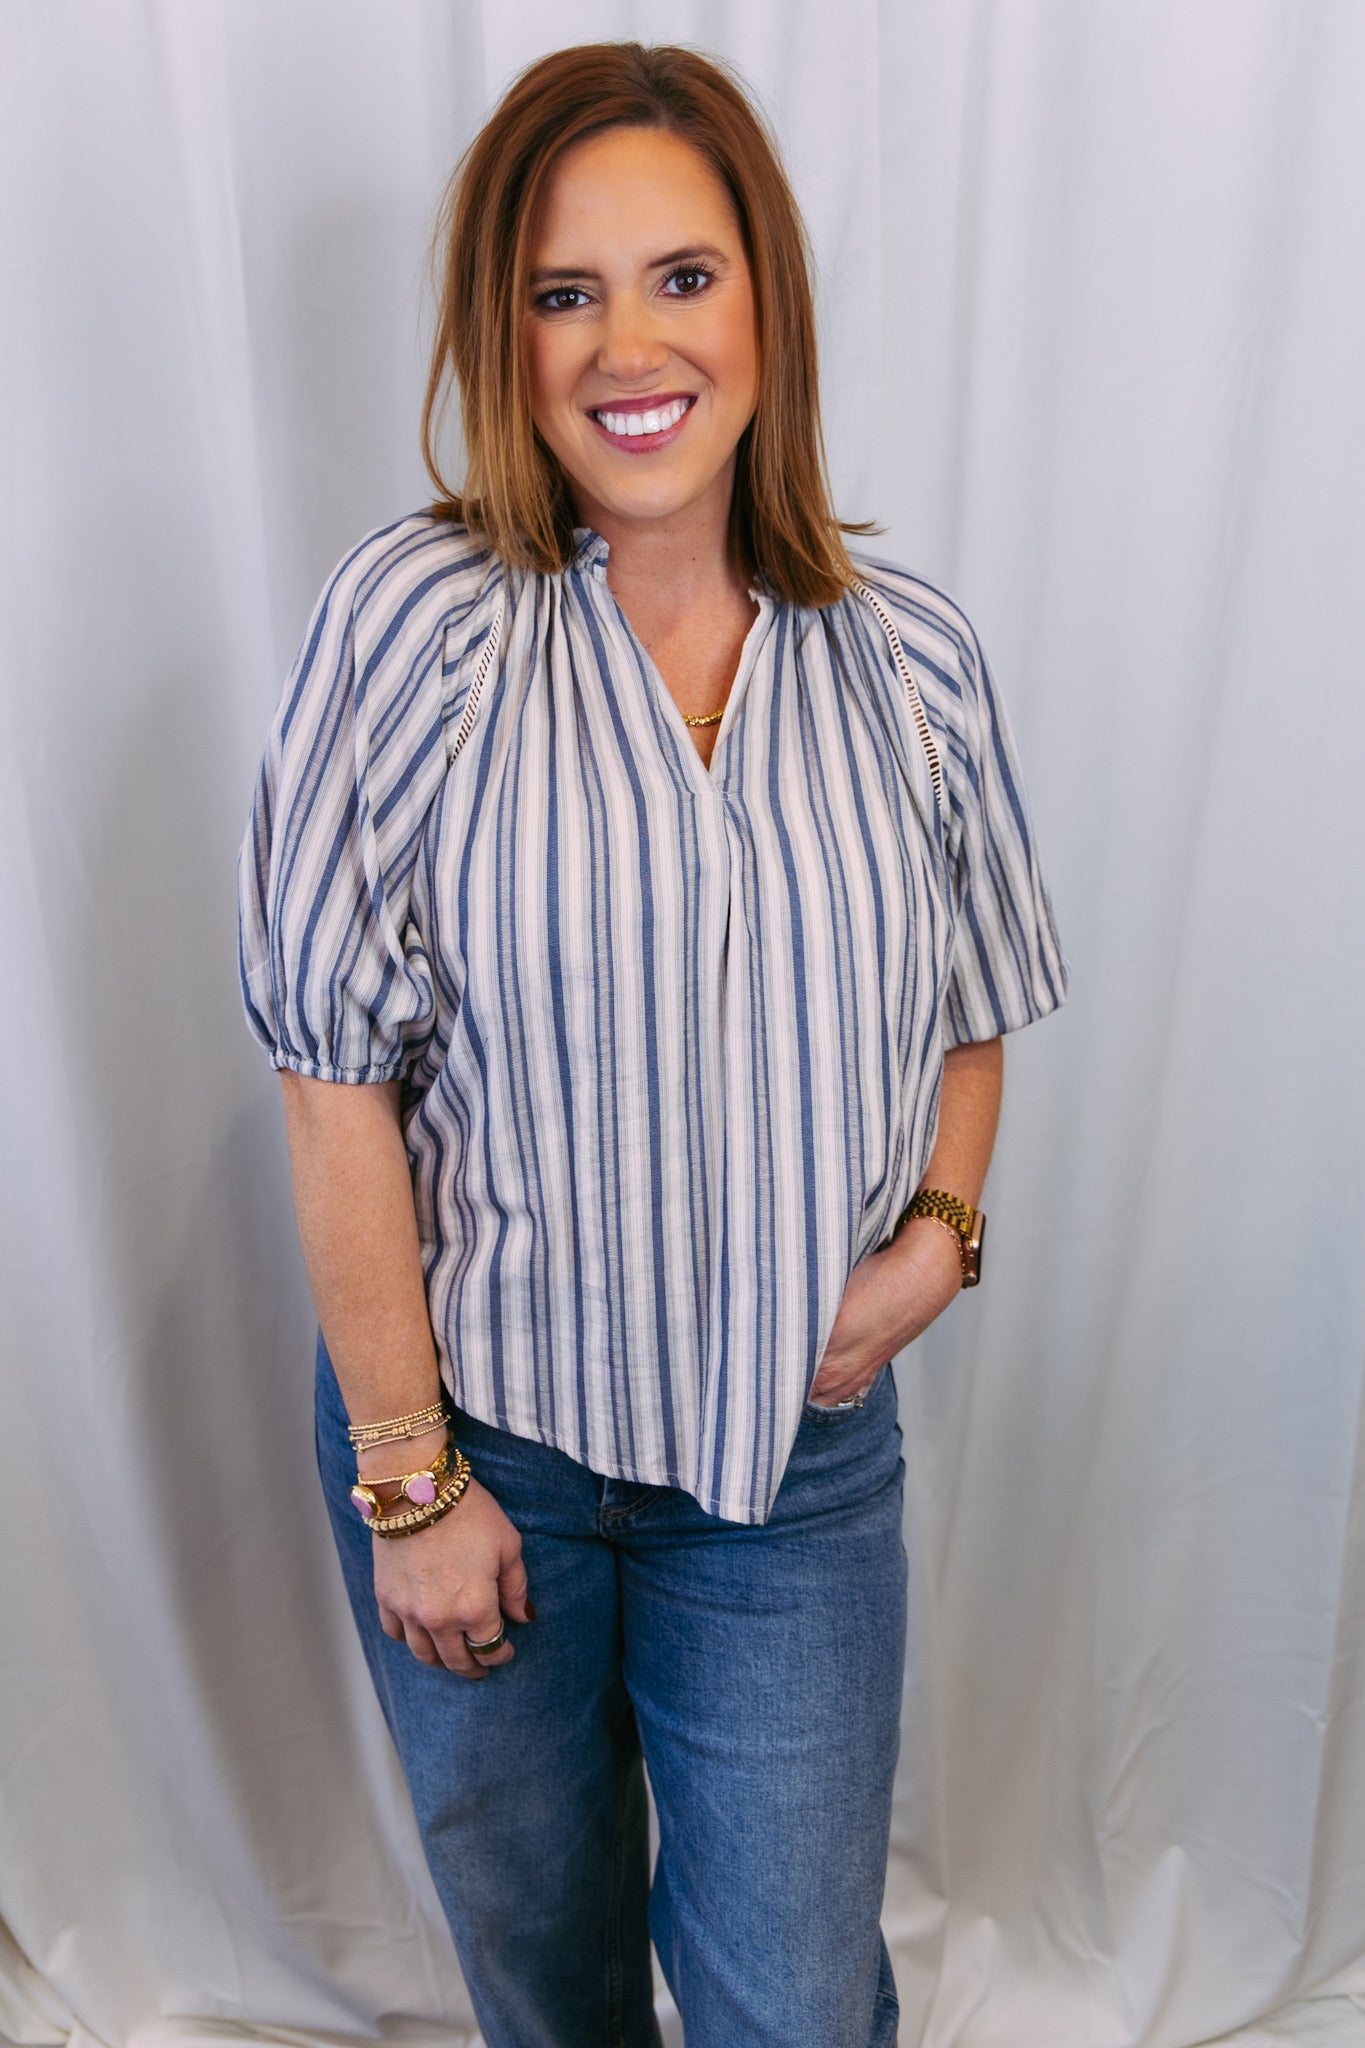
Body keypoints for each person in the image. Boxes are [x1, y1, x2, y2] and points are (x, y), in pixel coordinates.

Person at [238, 40, 1066, 2048]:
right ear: (501, 335)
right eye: (562, 288)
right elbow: (328, 1066)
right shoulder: (411, 627)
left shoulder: (910, 661)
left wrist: (940, 1232)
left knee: (788, 1996)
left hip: (788, 1476)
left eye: (682, 275)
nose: (629, 342)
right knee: (547, 1979)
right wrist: (412, 1481)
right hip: (483, 1450)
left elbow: (974, 1003)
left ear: (763, 300)